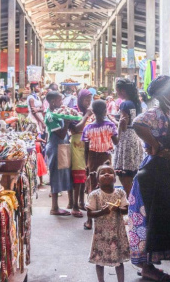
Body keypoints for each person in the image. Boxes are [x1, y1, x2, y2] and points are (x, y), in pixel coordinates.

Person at [130, 76, 170, 281]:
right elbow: (137, 123)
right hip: (154, 174)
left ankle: (149, 266)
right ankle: (147, 268)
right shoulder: (155, 112)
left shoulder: (167, 113)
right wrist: (154, 144)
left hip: (163, 174)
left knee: (158, 220)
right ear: (163, 92)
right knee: (151, 220)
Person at [86, 163, 130, 282]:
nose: (106, 174)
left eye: (110, 172)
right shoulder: (94, 195)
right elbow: (89, 213)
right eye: (102, 172)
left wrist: (118, 209)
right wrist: (102, 212)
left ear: (115, 179)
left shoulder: (120, 193)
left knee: (119, 260)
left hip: (117, 232)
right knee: (99, 260)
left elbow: (126, 210)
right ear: (97, 180)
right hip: (101, 234)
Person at [82, 100, 119, 230]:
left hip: (92, 158)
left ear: (93, 111)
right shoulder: (110, 126)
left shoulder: (88, 127)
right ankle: (109, 218)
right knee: (108, 186)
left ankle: (89, 221)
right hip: (106, 158)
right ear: (105, 111)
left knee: (92, 187)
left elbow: (86, 148)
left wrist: (86, 164)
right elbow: (116, 141)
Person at [45, 91, 74, 216]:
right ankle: (54, 207)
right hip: (56, 147)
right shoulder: (50, 116)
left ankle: (68, 203)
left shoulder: (56, 113)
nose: (62, 103)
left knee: (64, 173)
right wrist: (67, 122)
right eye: (60, 100)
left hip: (62, 146)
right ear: (52, 102)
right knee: (56, 175)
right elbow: (61, 134)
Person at [114, 78, 144, 198]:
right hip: (134, 136)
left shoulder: (125, 104)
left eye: (117, 90)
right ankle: (134, 199)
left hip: (126, 138)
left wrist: (117, 128)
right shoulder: (136, 103)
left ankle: (129, 200)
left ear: (122, 91)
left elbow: (124, 124)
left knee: (124, 174)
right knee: (131, 171)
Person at [68, 89, 94, 218]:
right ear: (80, 99)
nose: (88, 102)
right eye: (86, 99)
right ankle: (74, 206)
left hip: (87, 144)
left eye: (90, 100)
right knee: (78, 174)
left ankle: (82, 201)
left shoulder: (88, 110)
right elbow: (76, 128)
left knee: (85, 173)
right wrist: (87, 116)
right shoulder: (74, 110)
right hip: (77, 143)